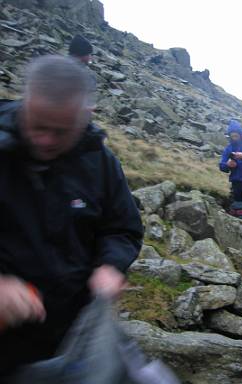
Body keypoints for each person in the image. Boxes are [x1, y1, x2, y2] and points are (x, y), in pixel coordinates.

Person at [0, 55, 143, 377]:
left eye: (61, 131)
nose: (46, 140)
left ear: (84, 118)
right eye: (37, 126)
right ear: (26, 104)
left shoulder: (100, 162)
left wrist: (110, 265)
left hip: (71, 337)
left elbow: (122, 228)